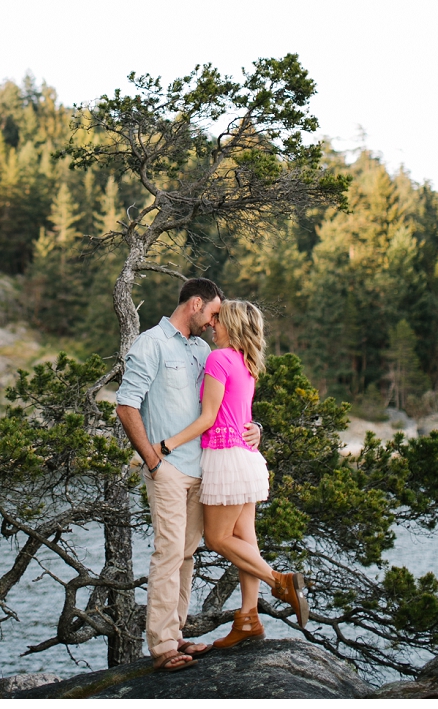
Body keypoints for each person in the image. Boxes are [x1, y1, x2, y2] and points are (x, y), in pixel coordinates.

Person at [115, 278, 262, 672]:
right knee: (167, 552)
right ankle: (161, 645)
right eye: (214, 313)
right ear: (196, 303)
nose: (215, 323)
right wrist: (152, 460)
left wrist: (256, 427)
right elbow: (126, 404)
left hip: (205, 470)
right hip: (168, 469)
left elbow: (224, 404)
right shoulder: (152, 343)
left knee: (186, 554)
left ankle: (175, 633)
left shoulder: (203, 350)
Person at [159, 298, 310, 647]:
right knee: (245, 539)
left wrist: (165, 445)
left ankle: (280, 582)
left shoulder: (218, 358)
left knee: (216, 539)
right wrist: (256, 426)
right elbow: (240, 412)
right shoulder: (247, 361)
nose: (213, 325)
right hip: (247, 459)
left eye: (219, 321)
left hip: (225, 458)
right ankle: (248, 619)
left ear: (233, 326)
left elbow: (209, 418)